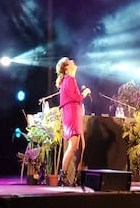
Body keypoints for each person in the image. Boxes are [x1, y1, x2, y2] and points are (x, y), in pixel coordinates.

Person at [55, 57, 91, 186]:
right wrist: (85, 93)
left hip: (73, 113)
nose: (73, 61)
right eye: (70, 61)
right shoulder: (69, 80)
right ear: (66, 67)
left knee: (80, 146)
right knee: (73, 146)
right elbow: (76, 97)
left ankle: (77, 176)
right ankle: (62, 176)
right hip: (71, 113)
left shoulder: (69, 80)